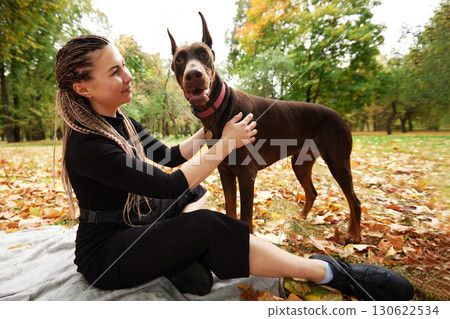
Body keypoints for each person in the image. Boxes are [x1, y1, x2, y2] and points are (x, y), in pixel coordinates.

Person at [55, 34, 414, 301]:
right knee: (206, 225)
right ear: (83, 88)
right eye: (116, 71)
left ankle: (174, 255)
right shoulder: (89, 144)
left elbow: (166, 156)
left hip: (138, 219)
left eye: (125, 65)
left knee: (196, 192)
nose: (129, 76)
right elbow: (168, 185)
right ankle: (329, 272)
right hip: (110, 252)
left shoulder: (119, 120)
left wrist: (211, 126)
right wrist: (224, 143)